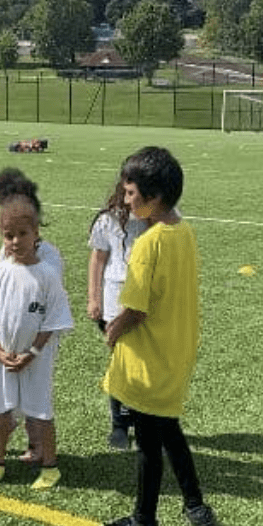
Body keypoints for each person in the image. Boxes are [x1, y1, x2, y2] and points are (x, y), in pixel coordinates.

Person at [93, 146, 220, 526]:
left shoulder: (149, 243)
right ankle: (196, 506)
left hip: (147, 358)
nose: (125, 201)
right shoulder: (183, 232)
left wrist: (112, 330)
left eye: (131, 194)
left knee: (149, 443)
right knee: (167, 429)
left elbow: (136, 308)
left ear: (155, 195)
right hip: (174, 352)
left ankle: (144, 524)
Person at [0, 189, 73, 491]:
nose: (15, 241)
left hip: (35, 357)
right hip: (2, 356)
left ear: (35, 233)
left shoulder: (47, 274)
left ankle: (50, 466)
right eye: (8, 235)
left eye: (22, 233)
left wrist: (31, 351)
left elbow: (54, 320)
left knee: (40, 409)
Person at [87, 180, 149, 450]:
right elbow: (98, 260)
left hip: (147, 305)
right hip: (115, 304)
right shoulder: (108, 219)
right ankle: (120, 425)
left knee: (147, 365)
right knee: (122, 365)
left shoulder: (157, 219)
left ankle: (145, 419)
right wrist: (93, 298)